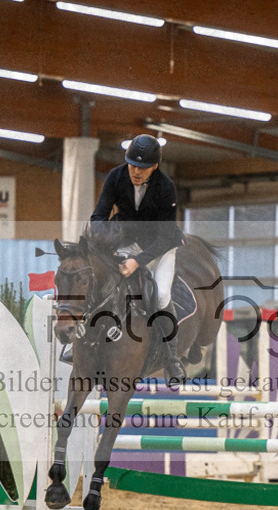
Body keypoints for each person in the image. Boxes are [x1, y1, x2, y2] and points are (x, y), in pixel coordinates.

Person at [89, 133, 186, 382]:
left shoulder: (165, 187)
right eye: (132, 165)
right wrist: (102, 243)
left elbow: (164, 236)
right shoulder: (115, 177)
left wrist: (137, 261)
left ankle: (172, 358)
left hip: (161, 246)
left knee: (162, 294)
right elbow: (99, 215)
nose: (136, 171)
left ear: (154, 166)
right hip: (130, 240)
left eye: (142, 168)